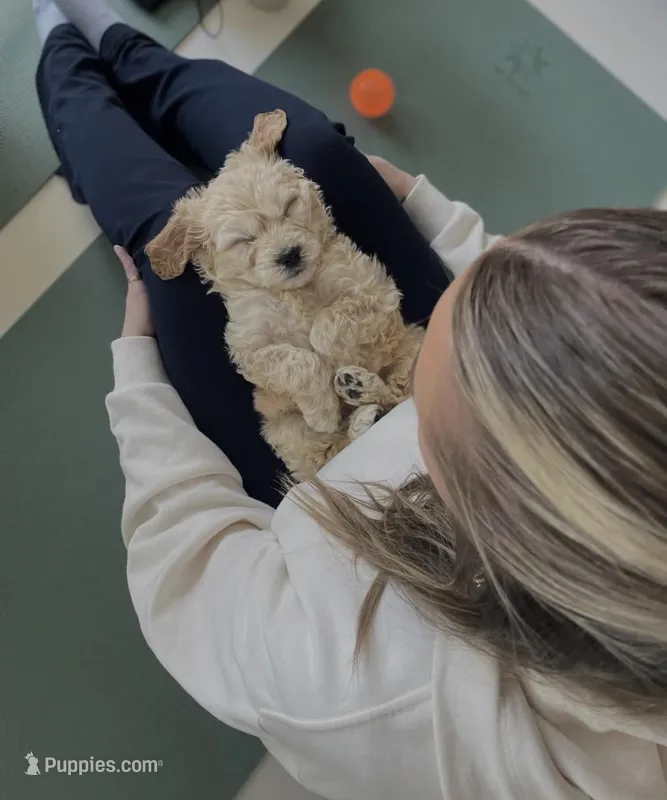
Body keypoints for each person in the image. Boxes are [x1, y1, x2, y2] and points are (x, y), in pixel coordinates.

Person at [33, 2, 667, 798]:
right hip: (399, 381)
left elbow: (187, 564)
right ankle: (121, 43)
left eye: (462, 334)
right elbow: (547, 314)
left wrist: (138, 374)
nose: (461, 272)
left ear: (444, 471)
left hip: (309, 464)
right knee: (310, 152)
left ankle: (58, 52)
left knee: (166, 245)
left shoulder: (346, 682)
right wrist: (427, 208)